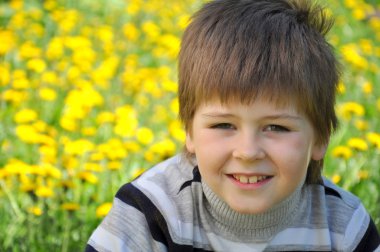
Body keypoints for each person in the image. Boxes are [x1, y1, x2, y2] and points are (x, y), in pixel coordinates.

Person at [86, 0, 380, 251]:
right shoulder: (150, 210)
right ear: (189, 130)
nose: (248, 152)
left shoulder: (345, 226)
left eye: (276, 127)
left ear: (320, 138)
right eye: (224, 124)